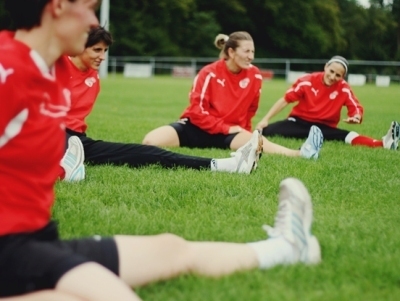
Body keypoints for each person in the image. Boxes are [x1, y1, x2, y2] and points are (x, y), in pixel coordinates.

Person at [0, 1, 321, 300]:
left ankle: (289, 247)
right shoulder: (7, 70)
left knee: (171, 249)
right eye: (90, 8)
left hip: (35, 242)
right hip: (11, 252)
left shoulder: (49, 71)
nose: (95, 21)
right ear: (58, 6)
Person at [59, 26, 264, 179]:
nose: (102, 57)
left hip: (77, 141)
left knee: (149, 154)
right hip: (51, 134)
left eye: (104, 51)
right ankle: (66, 166)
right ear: (79, 46)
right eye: (97, 50)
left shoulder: (93, 78)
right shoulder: (55, 66)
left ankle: (225, 165)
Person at [142, 32, 324, 160]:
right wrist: (225, 128)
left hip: (230, 132)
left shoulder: (255, 76)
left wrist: (243, 131)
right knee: (150, 142)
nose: (251, 56)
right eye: (247, 51)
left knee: (258, 142)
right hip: (196, 128)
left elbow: (250, 110)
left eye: (253, 51)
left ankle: (301, 153)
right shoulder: (209, 72)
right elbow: (197, 111)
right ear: (231, 52)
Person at [256, 55, 400, 150]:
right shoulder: (307, 81)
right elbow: (285, 100)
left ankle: (383, 143)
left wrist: (356, 116)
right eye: (331, 71)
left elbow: (355, 106)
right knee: (264, 132)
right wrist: (265, 120)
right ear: (325, 67)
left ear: (343, 77)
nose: (332, 77)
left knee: (347, 136)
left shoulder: (343, 88)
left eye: (338, 75)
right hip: (298, 122)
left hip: (323, 127)